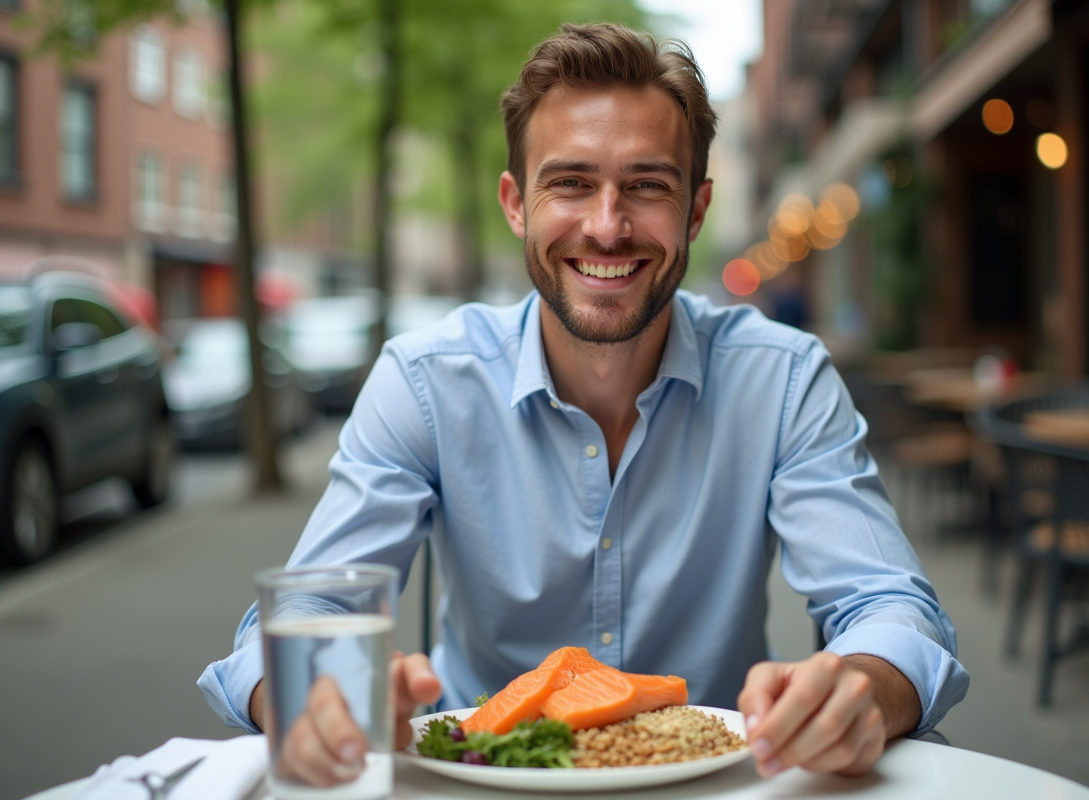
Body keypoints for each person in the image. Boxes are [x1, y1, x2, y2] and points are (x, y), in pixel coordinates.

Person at [199, 22, 968, 787]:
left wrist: (861, 688)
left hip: (713, 782)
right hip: (485, 780)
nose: (607, 226)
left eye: (646, 185)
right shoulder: (426, 382)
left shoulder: (785, 380)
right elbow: (307, 614)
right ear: (515, 204)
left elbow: (888, 605)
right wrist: (311, 696)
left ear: (696, 211)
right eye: (570, 183)